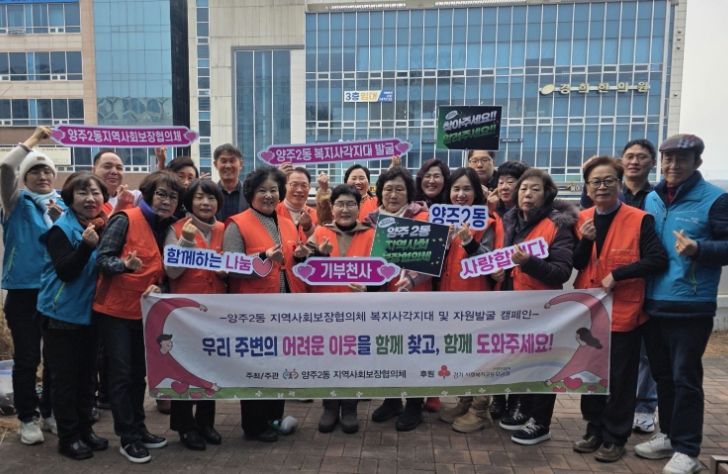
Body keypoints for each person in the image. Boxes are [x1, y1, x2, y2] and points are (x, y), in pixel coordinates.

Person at [635, 134, 728, 474]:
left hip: (691, 304)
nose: (673, 165)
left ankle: (687, 450)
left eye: (682, 159)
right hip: (653, 301)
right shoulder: (652, 198)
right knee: (663, 376)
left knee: (686, 378)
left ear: (697, 162)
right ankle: (669, 435)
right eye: (668, 158)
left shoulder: (715, 199)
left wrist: (699, 249)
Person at [571, 156, 667, 463]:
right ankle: (594, 429)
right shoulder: (583, 218)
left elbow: (657, 260)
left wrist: (619, 274)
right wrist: (585, 241)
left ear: (619, 183)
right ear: (587, 188)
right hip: (591, 312)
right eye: (595, 182)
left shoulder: (639, 219)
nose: (602, 187)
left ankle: (615, 437)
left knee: (621, 379)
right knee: (590, 375)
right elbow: (577, 262)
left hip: (625, 312)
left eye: (608, 180)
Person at [93, 171, 183, 463]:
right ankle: (127, 437)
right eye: (161, 194)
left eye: (172, 197)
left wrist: (161, 287)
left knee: (137, 374)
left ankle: (139, 428)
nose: (166, 201)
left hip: (144, 312)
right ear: (148, 194)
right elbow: (101, 259)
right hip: (116, 311)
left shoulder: (166, 227)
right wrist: (124, 265)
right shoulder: (125, 219)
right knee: (120, 374)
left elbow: (161, 270)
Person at [223, 166, 305, 442]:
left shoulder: (286, 222)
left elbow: (290, 262)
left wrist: (302, 254)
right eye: (262, 190)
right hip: (253, 310)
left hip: (284, 309)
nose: (269, 195)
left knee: (279, 365)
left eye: (273, 190)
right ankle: (254, 425)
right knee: (256, 367)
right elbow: (231, 266)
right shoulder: (237, 224)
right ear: (250, 193)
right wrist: (263, 257)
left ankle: (274, 417)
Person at [497, 168, 576, 446]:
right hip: (514, 304)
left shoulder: (558, 225)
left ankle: (540, 422)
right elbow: (503, 260)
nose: (527, 194)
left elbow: (561, 272)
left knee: (544, 365)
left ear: (547, 194)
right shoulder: (511, 221)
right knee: (522, 362)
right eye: (523, 188)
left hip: (544, 309)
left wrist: (528, 263)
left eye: (535, 189)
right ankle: (524, 409)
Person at [38, 173, 110, 460]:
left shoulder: (102, 225)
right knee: (65, 380)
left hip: (91, 313)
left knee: (87, 376)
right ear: (70, 199)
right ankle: (68, 438)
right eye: (82, 193)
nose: (90, 199)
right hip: (61, 314)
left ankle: (85, 430)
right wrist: (85, 246)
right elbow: (66, 271)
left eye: (95, 192)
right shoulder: (61, 229)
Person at [0, 126, 62, 445]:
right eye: (35, 171)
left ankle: (50, 411)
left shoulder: (61, 204)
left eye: (47, 171)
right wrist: (35, 140)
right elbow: (5, 167)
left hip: (55, 292)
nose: (42, 176)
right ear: (24, 177)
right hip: (23, 292)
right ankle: (27, 417)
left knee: (55, 358)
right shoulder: (14, 201)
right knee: (27, 359)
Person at [298, 184, 375, 434]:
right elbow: (304, 268)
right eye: (340, 204)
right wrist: (319, 255)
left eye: (350, 204)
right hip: (325, 310)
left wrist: (368, 289)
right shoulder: (320, 232)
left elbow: (382, 274)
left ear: (359, 207)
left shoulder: (371, 235)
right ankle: (329, 406)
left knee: (354, 360)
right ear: (332, 208)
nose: (345, 209)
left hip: (358, 313)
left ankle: (350, 408)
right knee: (327, 358)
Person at [435, 168, 500, 433]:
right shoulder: (442, 222)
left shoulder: (488, 222)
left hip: (477, 300)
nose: (460, 195)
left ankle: (479, 409)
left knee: (478, 355)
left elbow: (492, 263)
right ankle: (464, 401)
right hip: (450, 299)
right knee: (461, 353)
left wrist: (468, 241)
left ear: (477, 192)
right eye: (456, 189)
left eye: (467, 189)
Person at [366, 166, 431, 431]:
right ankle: (392, 400)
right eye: (388, 189)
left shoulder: (424, 217)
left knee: (414, 351)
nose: (393, 195)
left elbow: (432, 259)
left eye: (399, 189)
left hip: (414, 296)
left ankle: (415, 405)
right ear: (380, 192)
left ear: (409, 193)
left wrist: (413, 279)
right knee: (387, 349)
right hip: (381, 298)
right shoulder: (370, 221)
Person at [163, 179, 226, 450]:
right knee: (184, 368)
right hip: (185, 311)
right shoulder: (176, 229)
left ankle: (206, 422)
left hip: (216, 310)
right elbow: (172, 271)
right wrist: (186, 242)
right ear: (189, 202)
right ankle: (184, 426)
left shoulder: (224, 229)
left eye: (211, 198)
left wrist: (227, 271)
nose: (205, 203)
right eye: (199, 197)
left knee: (210, 367)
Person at [617, 139, 661, 433]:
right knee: (617, 354)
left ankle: (644, 407)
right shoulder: (610, 192)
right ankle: (616, 406)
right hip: (614, 285)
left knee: (647, 353)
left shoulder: (658, 198)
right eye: (630, 156)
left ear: (652, 163)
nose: (634, 162)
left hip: (648, 281)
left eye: (641, 157)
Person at [482, 160, 529, 422]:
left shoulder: (530, 215)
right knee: (498, 348)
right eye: (501, 182)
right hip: (498, 289)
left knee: (519, 349)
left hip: (523, 290)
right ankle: (499, 397)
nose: (505, 186)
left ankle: (518, 401)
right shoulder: (493, 213)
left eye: (511, 182)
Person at [92, 150, 141, 215]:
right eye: (107, 167)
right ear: (93, 170)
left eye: (119, 168)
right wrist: (119, 206)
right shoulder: (89, 199)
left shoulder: (131, 197)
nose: (114, 172)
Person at [276, 167, 318, 238]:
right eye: (294, 184)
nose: (299, 190)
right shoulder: (274, 212)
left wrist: (309, 228)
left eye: (304, 185)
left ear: (309, 188)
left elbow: (320, 241)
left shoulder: (316, 216)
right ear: (285, 186)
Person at [213, 144, 248, 222]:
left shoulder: (250, 194)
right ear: (215, 164)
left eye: (232, 161)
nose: (228, 166)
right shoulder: (210, 193)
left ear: (241, 164)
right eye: (223, 161)